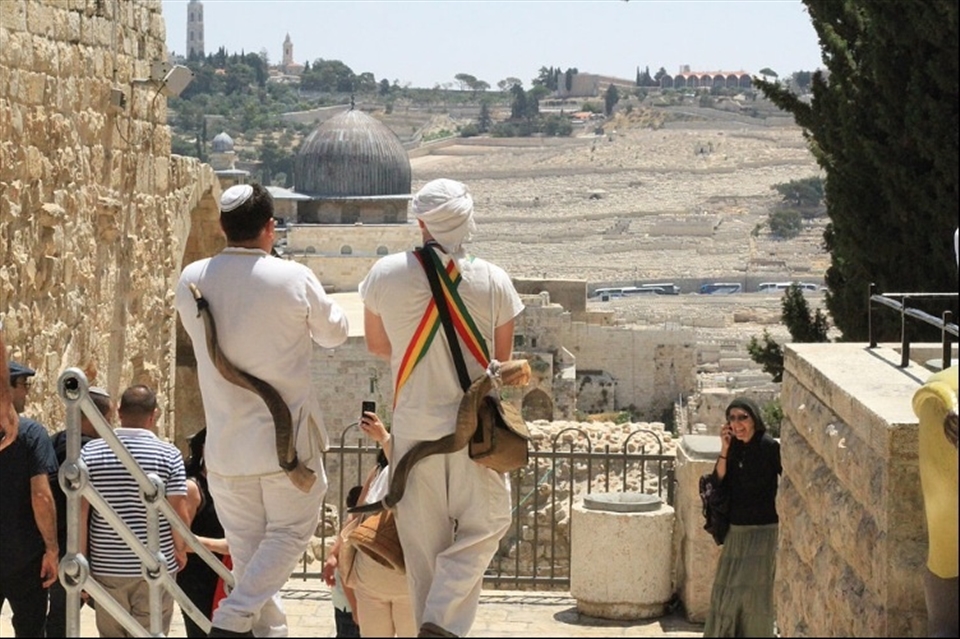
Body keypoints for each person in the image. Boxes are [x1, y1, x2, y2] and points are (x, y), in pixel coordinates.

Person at [175, 182, 349, 637]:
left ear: (221, 226)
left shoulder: (191, 278)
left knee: (251, 559)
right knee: (290, 534)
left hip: (227, 452)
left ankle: (269, 631)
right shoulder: (292, 277)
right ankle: (231, 619)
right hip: (285, 449)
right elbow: (334, 333)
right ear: (270, 227)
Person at [359, 178, 524, 637]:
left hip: (413, 436)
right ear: (468, 223)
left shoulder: (385, 273)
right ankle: (439, 622)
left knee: (422, 554)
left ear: (420, 222)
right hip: (476, 434)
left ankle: (431, 624)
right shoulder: (493, 279)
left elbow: (377, 344)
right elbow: (503, 361)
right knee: (490, 522)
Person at [79, 384, 190, 637]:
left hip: (107, 566)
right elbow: (178, 514)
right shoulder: (169, 455)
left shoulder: (91, 452)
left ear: (119, 412)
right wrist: (180, 550)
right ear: (154, 415)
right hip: (155, 563)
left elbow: (81, 514)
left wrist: (82, 560)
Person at [703, 397, 782, 637]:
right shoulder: (733, 447)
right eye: (732, 418)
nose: (737, 424)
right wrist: (725, 448)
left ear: (754, 419)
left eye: (743, 417)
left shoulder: (768, 446)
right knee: (728, 592)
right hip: (736, 531)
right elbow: (718, 480)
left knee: (755, 596)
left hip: (763, 530)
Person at [46, 386, 114, 637]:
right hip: (89, 546)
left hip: (56, 542)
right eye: (107, 418)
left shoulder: (53, 442)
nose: (110, 424)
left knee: (60, 616)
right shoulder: (98, 452)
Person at [0, 359, 60, 637]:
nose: (27, 392)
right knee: (30, 630)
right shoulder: (31, 435)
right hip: (25, 558)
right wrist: (52, 549)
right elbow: (41, 496)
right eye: (23, 385)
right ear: (6, 389)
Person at [347, 412, 415, 637]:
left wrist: (385, 439)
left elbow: (354, 518)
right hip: (404, 575)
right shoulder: (382, 472)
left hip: (375, 573)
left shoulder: (380, 472)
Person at [177, 428, 231, 638]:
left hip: (227, 572)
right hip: (199, 576)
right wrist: (224, 545)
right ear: (204, 450)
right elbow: (181, 541)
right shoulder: (193, 487)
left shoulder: (229, 488)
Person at [324, 484, 363, 638]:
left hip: (342, 604)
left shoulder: (347, 529)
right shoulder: (355, 530)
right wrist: (355, 607)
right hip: (351, 606)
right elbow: (345, 570)